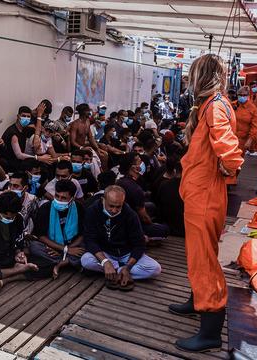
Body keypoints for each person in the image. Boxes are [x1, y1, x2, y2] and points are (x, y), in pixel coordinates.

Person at [169, 54, 244, 352]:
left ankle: (210, 329)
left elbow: (228, 148)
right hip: (202, 194)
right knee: (200, 253)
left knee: (205, 261)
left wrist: (231, 166)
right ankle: (196, 301)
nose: (188, 81)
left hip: (204, 195)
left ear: (202, 76)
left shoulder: (214, 106)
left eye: (192, 75)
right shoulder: (216, 104)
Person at [81, 186, 161, 291]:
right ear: (103, 200)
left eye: (118, 206)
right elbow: (90, 240)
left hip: (126, 254)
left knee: (155, 269)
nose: (114, 210)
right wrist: (105, 262)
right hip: (105, 253)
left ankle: (118, 272)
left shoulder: (130, 215)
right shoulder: (92, 211)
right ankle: (116, 270)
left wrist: (127, 267)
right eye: (111, 206)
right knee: (86, 260)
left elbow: (139, 244)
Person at [29, 180, 85, 279]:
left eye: (64, 198)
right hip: (52, 246)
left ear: (72, 199)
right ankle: (68, 261)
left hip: (73, 245)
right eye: (57, 196)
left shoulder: (79, 208)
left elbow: (82, 235)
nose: (59, 200)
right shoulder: (45, 208)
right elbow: (41, 236)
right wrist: (65, 250)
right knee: (34, 246)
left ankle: (59, 263)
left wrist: (68, 248)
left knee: (87, 247)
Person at [116, 152, 169, 239]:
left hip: (124, 218)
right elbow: (144, 217)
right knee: (164, 229)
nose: (142, 163)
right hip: (131, 224)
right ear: (133, 167)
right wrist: (152, 224)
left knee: (151, 206)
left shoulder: (121, 181)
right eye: (139, 162)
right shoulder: (135, 188)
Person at [1, 106, 52, 171]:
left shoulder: (24, 129)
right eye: (23, 116)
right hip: (11, 166)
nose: (26, 118)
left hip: (20, 163)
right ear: (18, 116)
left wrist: (39, 116)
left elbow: (37, 132)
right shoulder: (13, 133)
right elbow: (19, 155)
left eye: (28, 117)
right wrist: (38, 158)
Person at [233, 86, 257, 153]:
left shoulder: (252, 109)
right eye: (240, 95)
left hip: (242, 141)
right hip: (231, 138)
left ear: (248, 96)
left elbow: (255, 127)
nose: (242, 96)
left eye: (244, 95)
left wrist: (249, 140)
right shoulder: (232, 105)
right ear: (237, 95)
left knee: (238, 160)